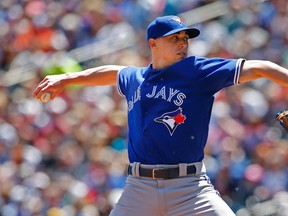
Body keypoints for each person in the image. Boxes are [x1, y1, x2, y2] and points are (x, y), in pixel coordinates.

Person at [34, 15, 288, 216]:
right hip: (139, 188)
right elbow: (113, 72)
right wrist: (67, 78)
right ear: (153, 43)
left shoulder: (197, 71)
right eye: (174, 38)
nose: (182, 43)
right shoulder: (136, 77)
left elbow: (260, 68)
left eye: (184, 38)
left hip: (190, 187)